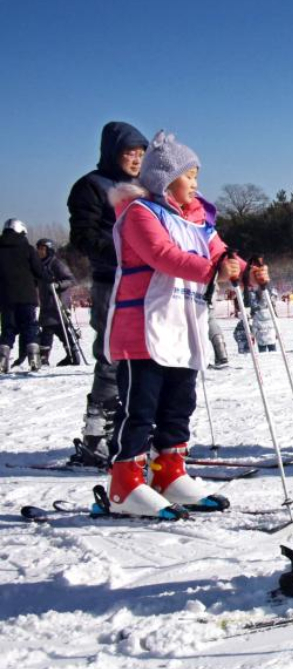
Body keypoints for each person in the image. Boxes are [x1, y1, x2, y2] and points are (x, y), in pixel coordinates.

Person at [104, 131, 241, 518]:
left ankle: (169, 472)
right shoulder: (139, 213)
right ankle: (126, 481)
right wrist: (213, 269)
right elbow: (161, 255)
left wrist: (243, 271)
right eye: (190, 176)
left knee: (179, 404)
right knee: (141, 407)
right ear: (165, 178)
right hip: (142, 327)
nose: (196, 185)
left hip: (183, 325)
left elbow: (222, 255)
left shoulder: (199, 220)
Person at [67, 121, 149, 466]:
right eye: (130, 153)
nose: (136, 160)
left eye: (141, 154)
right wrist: (122, 251)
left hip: (144, 282)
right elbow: (82, 237)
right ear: (113, 153)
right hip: (110, 282)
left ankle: (130, 431)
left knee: (144, 359)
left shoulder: (145, 187)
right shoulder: (91, 186)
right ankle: (95, 434)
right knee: (112, 356)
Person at [0, 220, 48, 373]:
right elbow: (39, 271)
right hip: (26, 295)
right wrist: (49, 277)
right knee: (30, 326)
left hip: (5, 297)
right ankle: (34, 358)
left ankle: (2, 359)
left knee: (8, 328)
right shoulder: (27, 249)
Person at [35, 239, 78, 366]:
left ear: (49, 250)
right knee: (49, 329)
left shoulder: (56, 264)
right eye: (38, 249)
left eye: (42, 249)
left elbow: (70, 280)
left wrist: (58, 285)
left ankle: (72, 355)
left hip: (58, 304)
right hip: (47, 304)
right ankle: (44, 357)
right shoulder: (40, 265)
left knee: (59, 329)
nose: (39, 252)